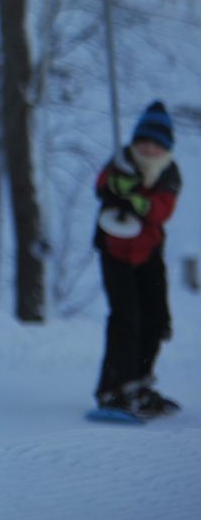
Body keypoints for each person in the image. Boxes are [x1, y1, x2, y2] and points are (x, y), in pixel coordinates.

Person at [93, 101, 182, 417]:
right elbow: (102, 185)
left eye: (156, 143)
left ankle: (141, 381)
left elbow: (161, 209)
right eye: (144, 141)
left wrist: (136, 200)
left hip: (148, 253)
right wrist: (119, 185)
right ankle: (114, 386)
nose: (149, 148)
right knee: (125, 317)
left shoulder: (169, 172)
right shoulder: (121, 162)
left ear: (166, 147)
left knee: (156, 319)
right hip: (116, 251)